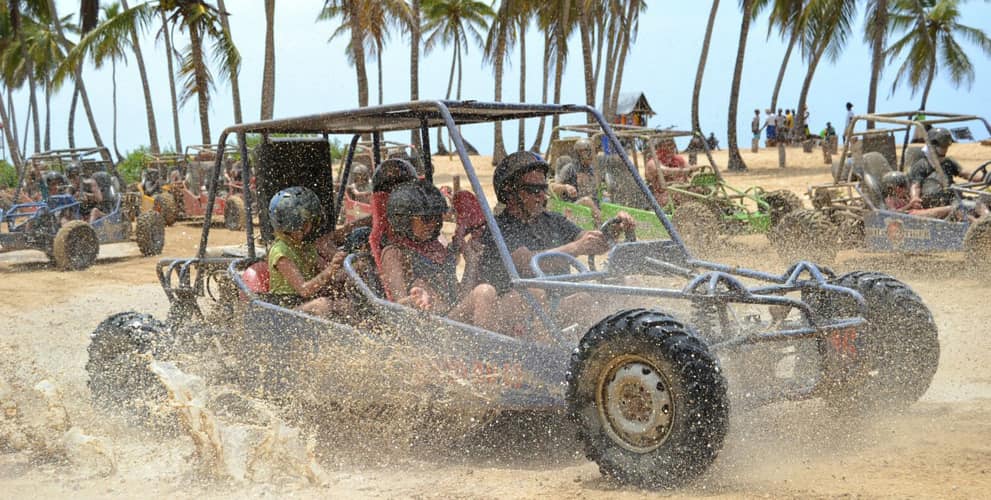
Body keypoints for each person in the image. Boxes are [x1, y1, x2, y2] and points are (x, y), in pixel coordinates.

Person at [477, 151, 636, 333]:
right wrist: (576, 248)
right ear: (510, 194)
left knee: (625, 286)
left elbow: (592, 242)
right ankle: (550, 357)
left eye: (544, 189)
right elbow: (524, 264)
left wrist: (615, 229)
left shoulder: (552, 220)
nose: (542, 196)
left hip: (554, 305)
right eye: (533, 190)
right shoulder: (499, 227)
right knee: (542, 294)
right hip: (511, 309)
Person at [379, 180, 499, 331]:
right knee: (484, 292)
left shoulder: (438, 248)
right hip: (430, 330)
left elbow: (459, 297)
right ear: (404, 219)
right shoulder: (395, 253)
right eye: (426, 219)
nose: (433, 224)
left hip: (451, 321)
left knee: (521, 295)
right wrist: (416, 300)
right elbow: (398, 307)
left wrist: (471, 262)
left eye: (437, 218)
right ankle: (489, 352)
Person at [267, 186, 348, 315]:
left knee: (345, 305)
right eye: (310, 220)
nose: (313, 224)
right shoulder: (280, 252)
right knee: (322, 304)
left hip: (304, 303)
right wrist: (330, 269)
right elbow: (304, 290)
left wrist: (349, 270)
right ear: (298, 223)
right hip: (284, 310)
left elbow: (327, 271)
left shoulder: (305, 247)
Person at [908, 127, 986, 210]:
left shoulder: (948, 162)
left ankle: (984, 220)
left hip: (952, 198)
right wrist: (915, 198)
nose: (945, 149)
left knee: (981, 203)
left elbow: (967, 174)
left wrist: (984, 177)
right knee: (963, 207)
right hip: (933, 204)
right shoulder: (922, 165)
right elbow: (916, 186)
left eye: (946, 146)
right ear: (933, 145)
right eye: (943, 146)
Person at [550, 138, 598, 202]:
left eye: (591, 152)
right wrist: (566, 187)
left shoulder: (591, 169)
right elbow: (553, 187)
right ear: (578, 154)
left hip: (591, 205)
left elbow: (594, 190)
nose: (590, 155)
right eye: (587, 152)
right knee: (586, 201)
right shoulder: (569, 169)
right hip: (574, 206)